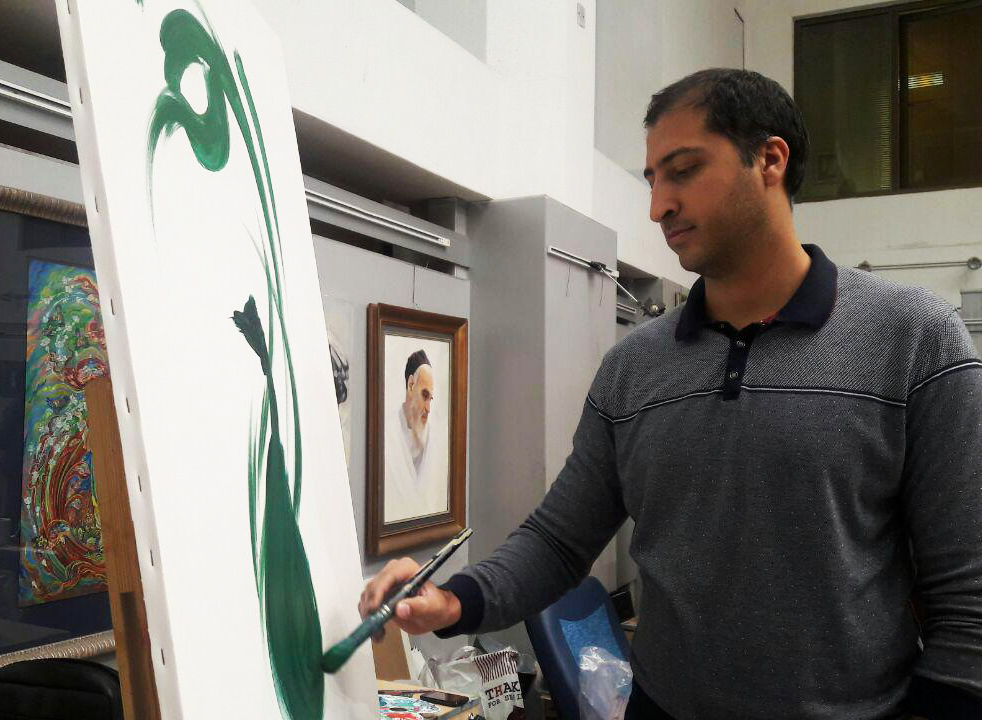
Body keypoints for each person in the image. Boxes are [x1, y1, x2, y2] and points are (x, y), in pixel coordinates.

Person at [360, 69, 982, 719]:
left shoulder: (913, 338)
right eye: (652, 180)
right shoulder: (633, 368)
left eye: (683, 171)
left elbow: (967, 588)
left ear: (770, 160)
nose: (658, 206)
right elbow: (559, 539)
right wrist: (455, 599)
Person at [384, 349, 447, 522]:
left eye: (431, 399)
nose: (428, 408)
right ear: (411, 385)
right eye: (424, 395)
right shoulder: (386, 435)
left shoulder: (436, 443)